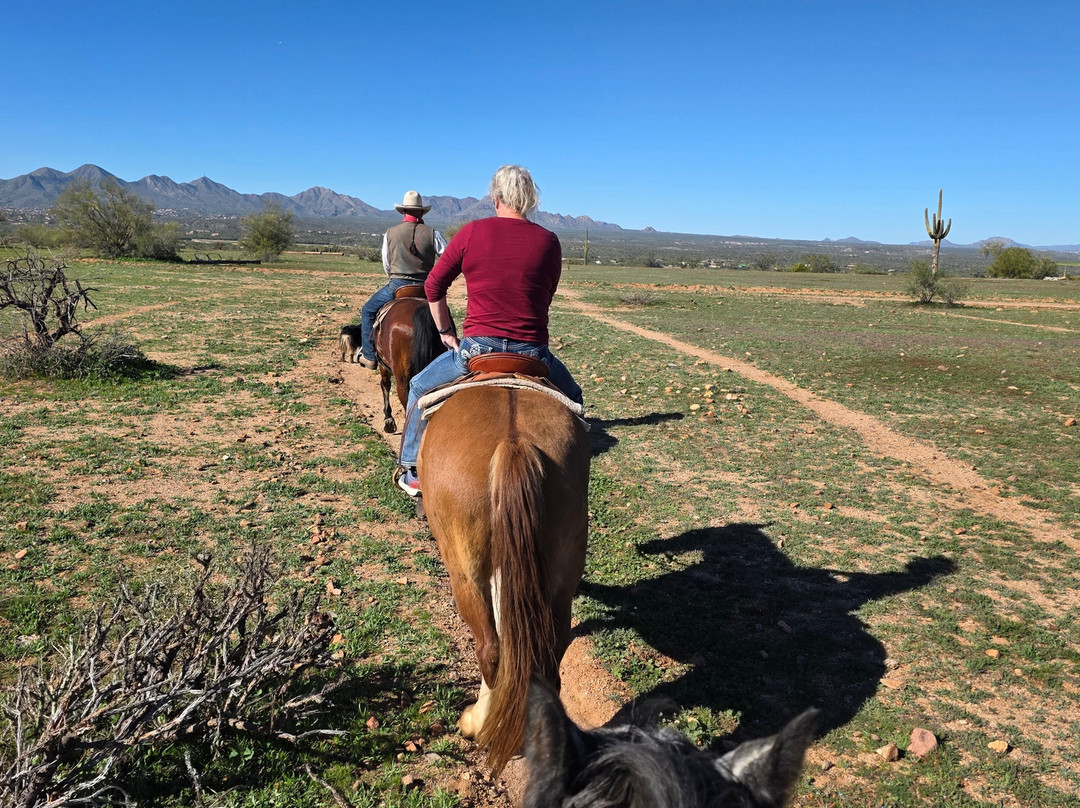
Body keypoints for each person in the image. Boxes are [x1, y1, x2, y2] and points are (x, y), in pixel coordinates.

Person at [395, 165, 583, 496]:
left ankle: (411, 469)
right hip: (532, 353)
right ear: (529, 199)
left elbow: (434, 285)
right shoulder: (549, 241)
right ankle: (576, 476)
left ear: (495, 198)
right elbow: (547, 292)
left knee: (418, 387)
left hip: (478, 350)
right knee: (575, 399)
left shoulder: (472, 233)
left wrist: (445, 332)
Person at [357, 191, 447, 369]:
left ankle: (369, 355)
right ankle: (447, 352)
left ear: (403, 212)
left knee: (367, 310)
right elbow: (447, 257)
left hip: (397, 284)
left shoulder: (390, 233)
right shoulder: (433, 233)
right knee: (445, 318)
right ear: (421, 213)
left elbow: (387, 263)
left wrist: (396, 275)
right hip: (425, 287)